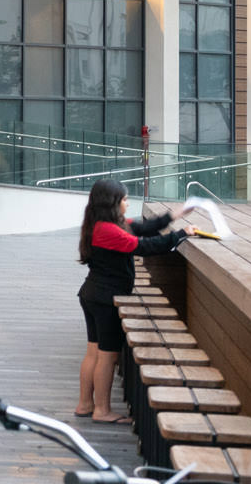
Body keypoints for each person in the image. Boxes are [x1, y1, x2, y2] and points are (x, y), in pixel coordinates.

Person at [76, 180, 191, 423]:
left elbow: (143, 228)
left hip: (93, 294)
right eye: (125, 199)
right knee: (107, 356)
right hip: (106, 298)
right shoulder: (109, 230)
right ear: (112, 203)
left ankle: (85, 405)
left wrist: (175, 215)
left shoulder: (102, 224)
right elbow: (144, 246)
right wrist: (181, 234)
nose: (128, 203)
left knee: (93, 352)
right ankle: (102, 411)